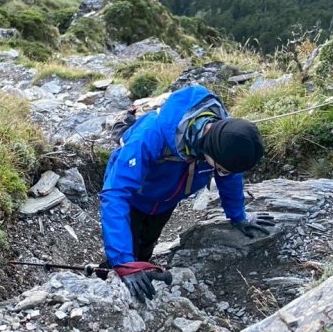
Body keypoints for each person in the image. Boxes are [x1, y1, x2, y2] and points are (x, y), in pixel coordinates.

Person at [100, 84, 274, 302]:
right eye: (220, 168)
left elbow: (229, 176)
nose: (223, 173)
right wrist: (124, 262)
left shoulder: (223, 135)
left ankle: (139, 263)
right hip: (134, 197)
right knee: (128, 252)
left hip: (165, 200)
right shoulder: (150, 136)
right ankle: (105, 280)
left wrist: (238, 216)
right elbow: (116, 193)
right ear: (210, 151)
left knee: (146, 247)